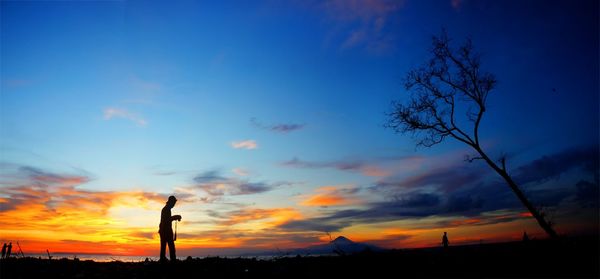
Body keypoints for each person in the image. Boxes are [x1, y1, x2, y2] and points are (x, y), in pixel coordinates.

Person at [159, 196, 182, 262]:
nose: (174, 205)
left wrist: (175, 217)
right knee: (170, 246)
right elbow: (167, 220)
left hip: (165, 230)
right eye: (173, 203)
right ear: (171, 202)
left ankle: (164, 259)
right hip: (165, 231)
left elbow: (167, 219)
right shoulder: (166, 209)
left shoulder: (166, 209)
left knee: (165, 246)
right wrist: (176, 217)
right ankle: (171, 260)